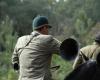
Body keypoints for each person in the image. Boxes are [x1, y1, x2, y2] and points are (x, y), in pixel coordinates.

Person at [12, 15, 61, 80]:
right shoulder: (47, 39)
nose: (48, 31)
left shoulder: (20, 40)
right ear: (44, 28)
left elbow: (15, 61)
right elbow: (67, 50)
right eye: (47, 28)